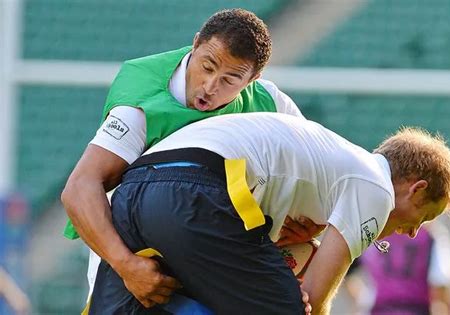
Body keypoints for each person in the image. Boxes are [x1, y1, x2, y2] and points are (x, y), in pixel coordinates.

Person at [61, 8, 320, 308]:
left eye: (230, 79)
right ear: (196, 44)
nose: (211, 87)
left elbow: (321, 170)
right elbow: (79, 188)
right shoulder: (142, 104)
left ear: (254, 79)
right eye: (207, 66)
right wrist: (126, 266)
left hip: (217, 248)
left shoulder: (270, 103)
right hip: (136, 258)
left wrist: (312, 225)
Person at [87, 112, 450, 314]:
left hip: (136, 188)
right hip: (198, 194)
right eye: (423, 216)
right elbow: (313, 300)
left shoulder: (334, 162)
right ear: (415, 187)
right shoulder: (377, 188)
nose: (413, 233)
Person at [352, 222, 450, 315]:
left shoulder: (372, 230)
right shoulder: (431, 233)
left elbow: (347, 270)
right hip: (416, 310)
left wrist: (362, 300)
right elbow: (441, 285)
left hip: (379, 311)